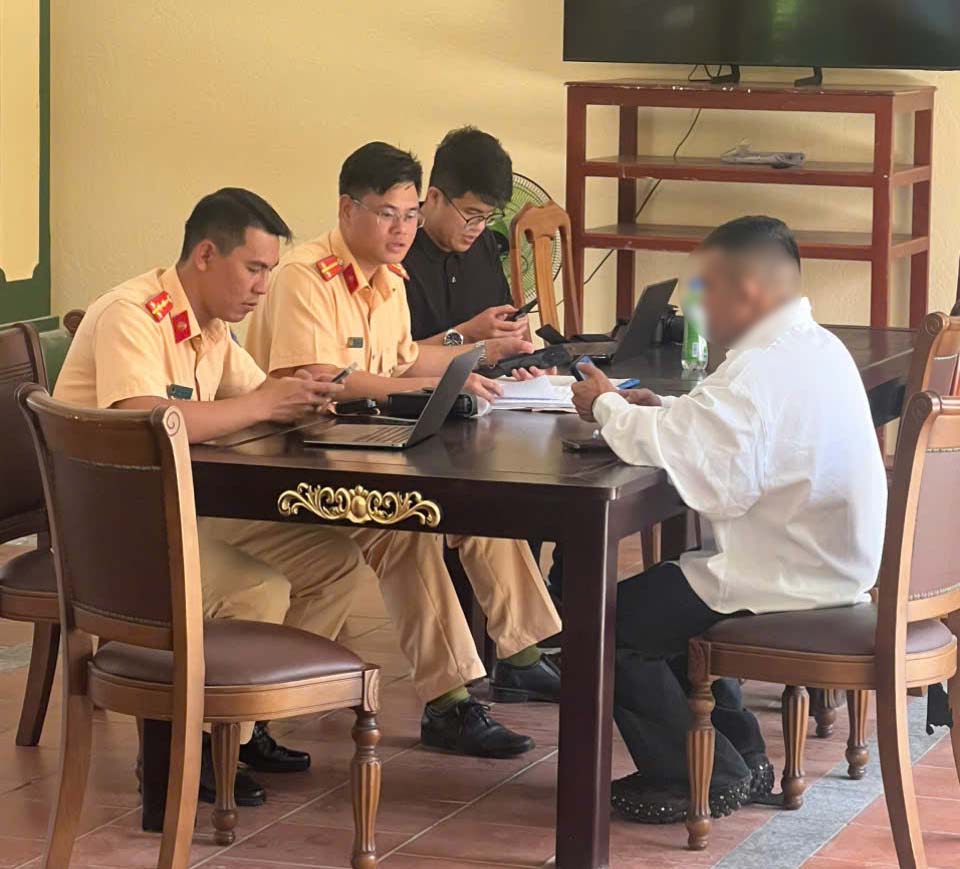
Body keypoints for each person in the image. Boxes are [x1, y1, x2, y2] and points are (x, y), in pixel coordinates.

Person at [54, 188, 377, 808]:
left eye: (270, 272)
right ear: (206, 254)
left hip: (178, 510)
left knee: (333, 562)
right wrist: (261, 404)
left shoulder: (211, 328)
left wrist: (300, 398)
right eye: (253, 268)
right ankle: (192, 745)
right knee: (259, 587)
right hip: (118, 528)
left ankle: (242, 725)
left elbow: (253, 398)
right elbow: (142, 418)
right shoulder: (134, 312)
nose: (262, 288)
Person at [244, 141, 563, 758]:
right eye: (389, 213)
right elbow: (324, 376)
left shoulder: (388, 278)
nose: (403, 229)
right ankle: (457, 698)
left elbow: (405, 356)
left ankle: (510, 659)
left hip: (363, 440)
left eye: (412, 213)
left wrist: (477, 362)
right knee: (412, 524)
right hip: (296, 454)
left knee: (473, 492)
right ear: (347, 208)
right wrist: (430, 384)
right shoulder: (304, 276)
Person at [571, 215, 887, 822]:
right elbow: (729, 434)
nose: (695, 308)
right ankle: (739, 757)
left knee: (600, 615)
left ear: (746, 291)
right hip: (827, 564)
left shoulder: (760, 367)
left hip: (784, 578)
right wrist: (663, 407)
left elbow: (717, 471)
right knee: (657, 599)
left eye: (702, 291)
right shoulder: (814, 346)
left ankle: (701, 774)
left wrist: (605, 404)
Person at [403, 126, 529, 346]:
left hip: (491, 377)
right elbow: (388, 362)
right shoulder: (396, 249)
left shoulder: (484, 241)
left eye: (488, 217)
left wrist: (521, 349)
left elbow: (503, 322)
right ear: (434, 197)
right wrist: (465, 335)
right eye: (472, 214)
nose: (479, 227)